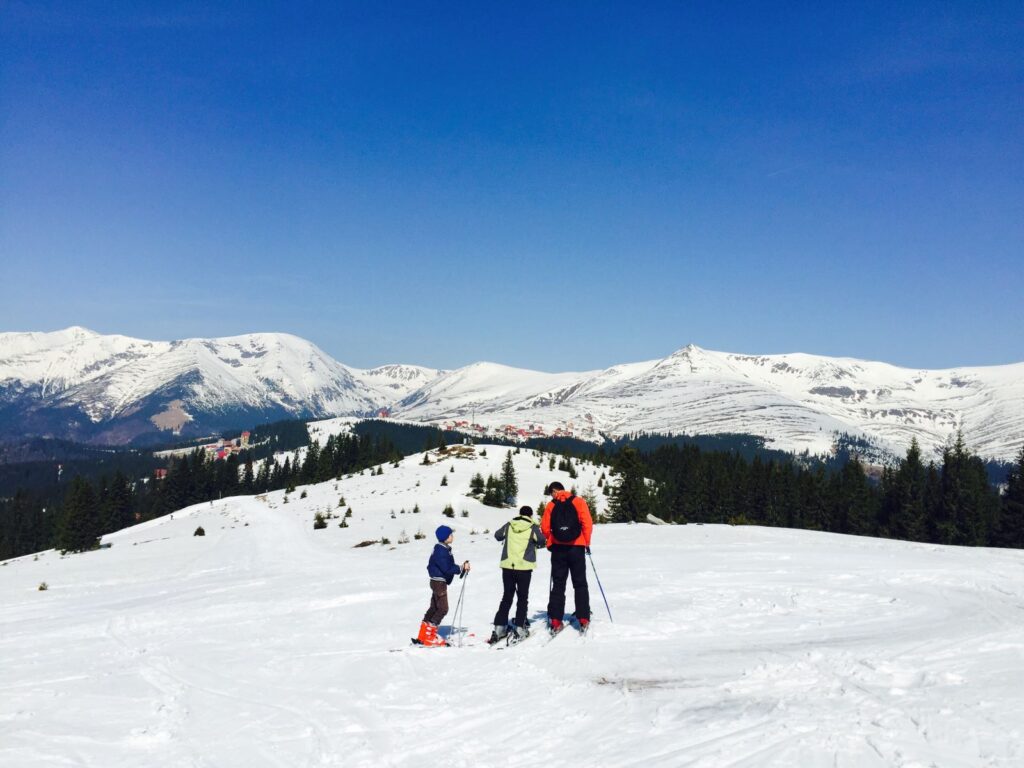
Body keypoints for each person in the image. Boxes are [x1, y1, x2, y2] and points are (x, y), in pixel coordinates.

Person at [540, 481, 593, 634]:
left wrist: (552, 540)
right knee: (580, 583)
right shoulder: (578, 501)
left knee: (558, 584)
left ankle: (556, 620)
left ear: (554, 491)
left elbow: (544, 527)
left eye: (552, 492)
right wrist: (586, 542)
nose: (552, 495)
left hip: (558, 549)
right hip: (577, 547)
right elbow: (587, 523)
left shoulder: (551, 505)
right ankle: (583, 618)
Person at [489, 505, 545, 644]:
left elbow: (497, 535)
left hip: (508, 566)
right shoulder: (532, 527)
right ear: (530, 516)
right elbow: (542, 541)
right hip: (524, 568)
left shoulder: (510, 524)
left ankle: (499, 627)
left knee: (507, 596)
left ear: (520, 514)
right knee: (522, 597)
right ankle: (520, 627)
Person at [416, 525, 470, 647]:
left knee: (434, 607)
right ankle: (429, 637)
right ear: (445, 537)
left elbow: (446, 566)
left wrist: (460, 568)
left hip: (436, 581)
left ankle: (423, 634)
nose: (452, 536)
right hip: (439, 582)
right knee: (443, 608)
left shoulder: (442, 548)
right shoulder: (441, 550)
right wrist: (461, 567)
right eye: (451, 535)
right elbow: (446, 567)